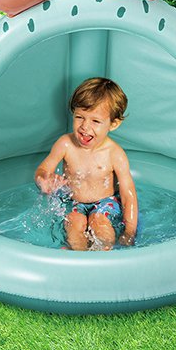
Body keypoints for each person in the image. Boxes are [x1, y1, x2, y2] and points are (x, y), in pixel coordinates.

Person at [34, 78, 138, 251]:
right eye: (79, 117)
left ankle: (101, 256)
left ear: (113, 124)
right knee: (75, 222)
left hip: (106, 203)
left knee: (99, 221)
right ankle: (78, 257)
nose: (84, 127)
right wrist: (43, 180)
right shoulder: (65, 144)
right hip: (76, 203)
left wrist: (129, 232)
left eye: (95, 121)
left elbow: (128, 195)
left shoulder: (115, 154)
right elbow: (43, 169)